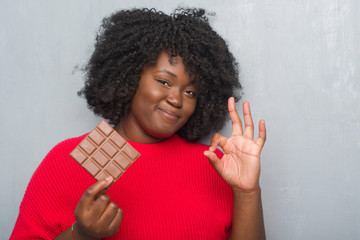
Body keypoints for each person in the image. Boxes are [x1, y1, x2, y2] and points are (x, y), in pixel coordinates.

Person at [10, 8, 266, 240]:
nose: (176, 99)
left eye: (190, 92)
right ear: (130, 77)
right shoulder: (68, 160)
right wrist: (80, 236)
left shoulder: (214, 165)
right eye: (164, 82)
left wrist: (247, 193)